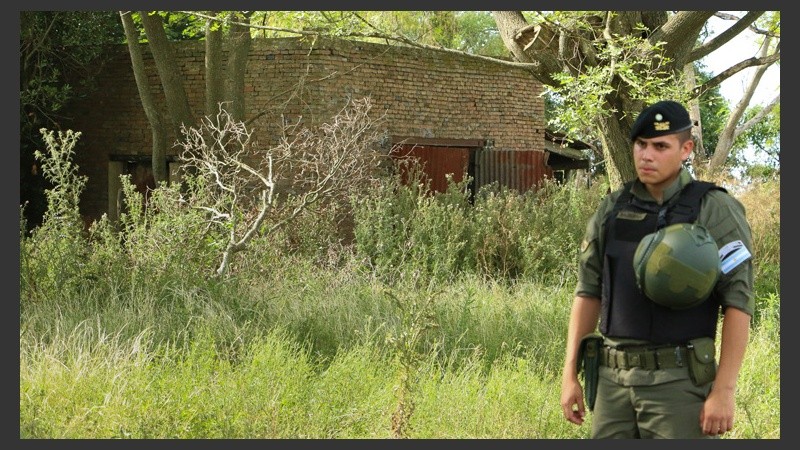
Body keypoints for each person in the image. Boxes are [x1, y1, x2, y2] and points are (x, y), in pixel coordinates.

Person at [559, 100, 754, 439]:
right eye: (641, 144)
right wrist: (569, 373)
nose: (646, 155)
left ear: (686, 149)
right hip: (612, 383)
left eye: (660, 146)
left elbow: (738, 301)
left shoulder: (714, 208)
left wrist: (724, 390)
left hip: (678, 384)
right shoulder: (613, 208)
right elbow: (588, 291)